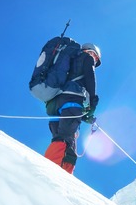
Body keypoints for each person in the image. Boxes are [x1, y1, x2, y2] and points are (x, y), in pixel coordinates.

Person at [43, 42, 101, 174]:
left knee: (61, 139)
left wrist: (82, 114)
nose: (95, 60)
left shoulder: (68, 60)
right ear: (91, 52)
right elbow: (90, 79)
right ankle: (50, 174)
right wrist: (93, 102)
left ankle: (59, 173)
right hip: (72, 100)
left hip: (54, 103)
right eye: (95, 57)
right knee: (65, 138)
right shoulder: (87, 58)